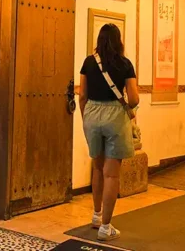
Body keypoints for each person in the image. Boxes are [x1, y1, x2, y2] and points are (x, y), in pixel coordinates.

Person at [78, 23, 140, 241]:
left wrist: (86, 118)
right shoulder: (124, 64)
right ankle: (106, 226)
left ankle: (96, 216)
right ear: (118, 40)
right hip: (115, 116)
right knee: (111, 173)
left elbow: (82, 95)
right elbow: (133, 99)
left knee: (97, 167)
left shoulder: (88, 62)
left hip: (92, 114)